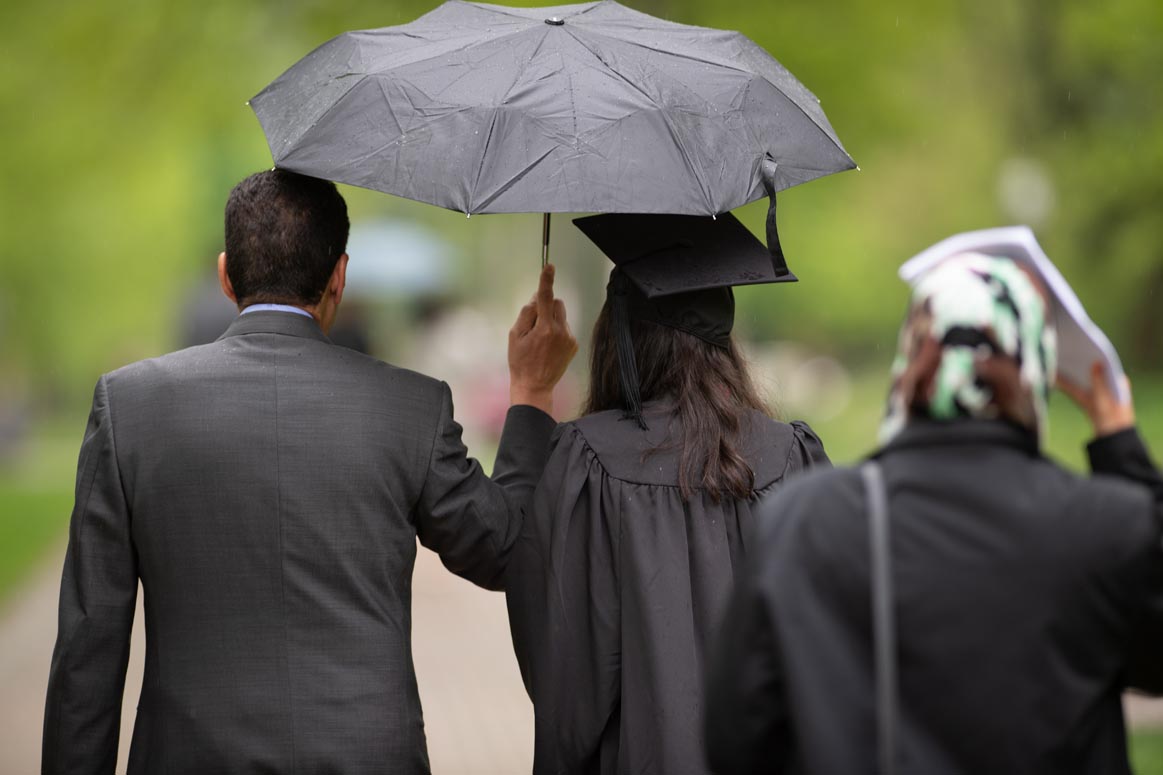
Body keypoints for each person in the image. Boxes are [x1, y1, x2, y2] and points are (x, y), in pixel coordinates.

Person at [41, 169, 578, 775]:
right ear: (339, 278)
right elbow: (506, 550)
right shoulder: (411, 407)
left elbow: (87, 652)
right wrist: (532, 391)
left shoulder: (130, 408)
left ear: (225, 275)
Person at [705, 249, 1163, 774]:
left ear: (910, 362)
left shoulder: (805, 520)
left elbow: (734, 740)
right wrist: (1120, 445)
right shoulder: (1107, 525)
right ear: (1036, 369)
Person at [504, 212, 829, 775]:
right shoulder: (793, 458)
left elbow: (566, 682)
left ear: (619, 337)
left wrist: (531, 392)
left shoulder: (588, 462)